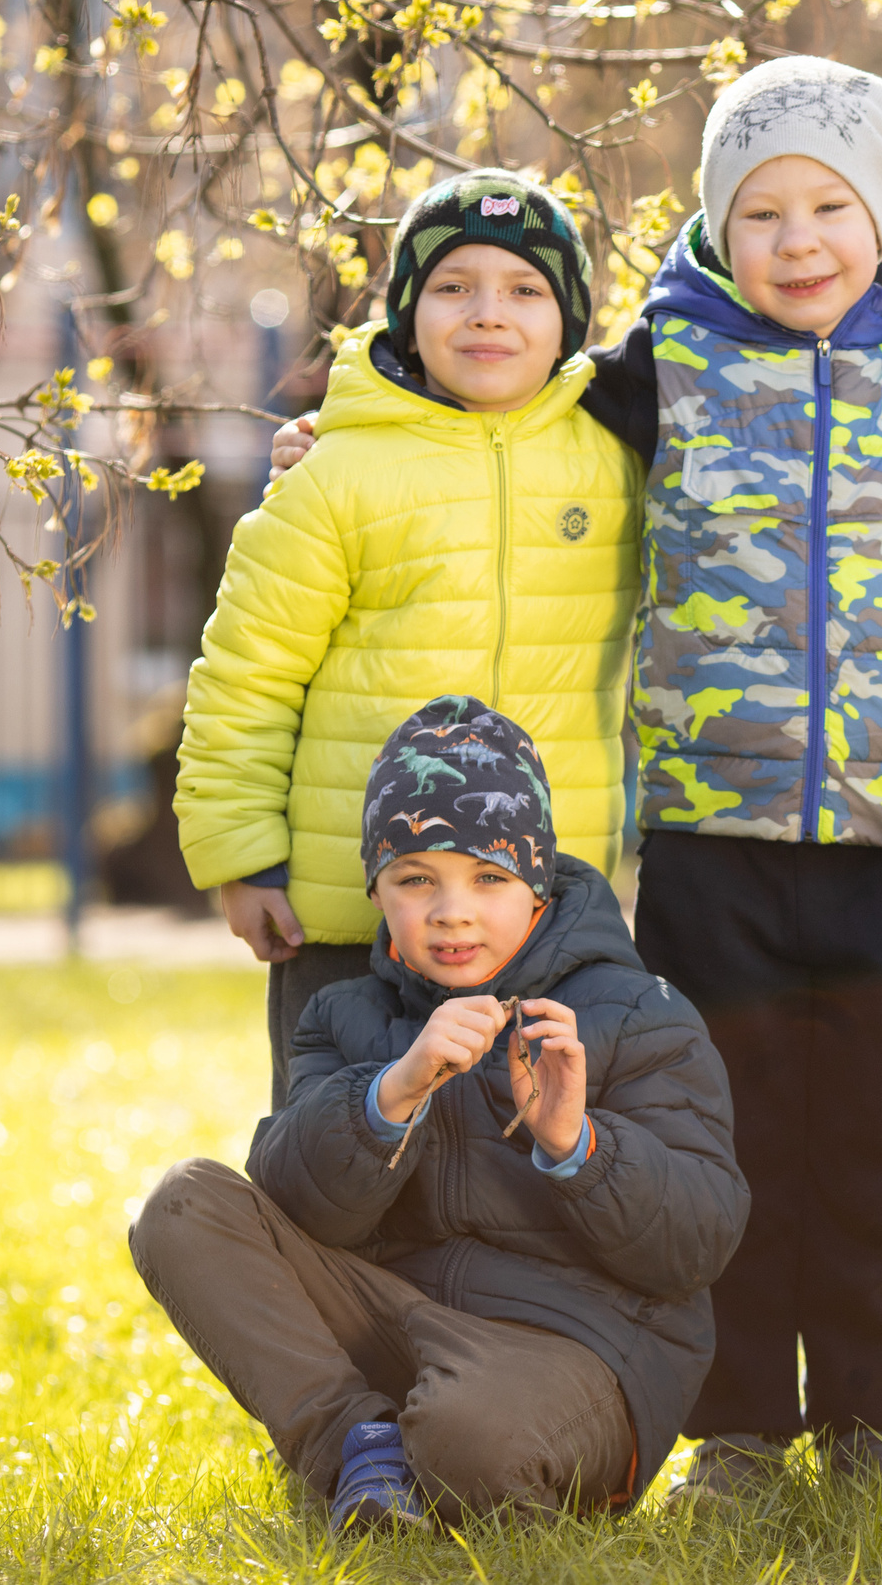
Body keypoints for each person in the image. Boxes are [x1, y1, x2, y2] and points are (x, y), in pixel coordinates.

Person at [262, 59, 882, 1498]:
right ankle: (742, 1434)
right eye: (761, 209)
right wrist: (338, 432)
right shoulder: (650, 375)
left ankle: (865, 1428)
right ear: (717, 228)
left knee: (881, 1147)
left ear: (881, 219)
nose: (798, 240)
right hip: (714, 837)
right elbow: (502, 429)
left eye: (830, 206)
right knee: (734, 1135)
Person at [131, 697, 747, 1532]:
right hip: (393, 1314)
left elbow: (700, 1241)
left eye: (488, 878)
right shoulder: (343, 1017)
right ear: (377, 891)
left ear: (537, 887)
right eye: (416, 878)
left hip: (571, 1346)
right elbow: (295, 1203)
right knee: (181, 1204)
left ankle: (430, 1455)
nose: (451, 910)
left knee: (469, 1438)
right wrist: (392, 1092)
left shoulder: (640, 1012)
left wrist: (578, 1143)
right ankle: (362, 1443)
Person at [176, 170, 641, 1110]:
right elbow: (246, 673)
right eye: (452, 286)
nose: (487, 314)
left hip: (539, 907)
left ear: (571, 323)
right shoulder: (339, 472)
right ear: (406, 310)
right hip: (352, 913)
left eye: (524, 290)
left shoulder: (618, 461)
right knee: (340, 1149)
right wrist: (243, 857)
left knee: (513, 1175)